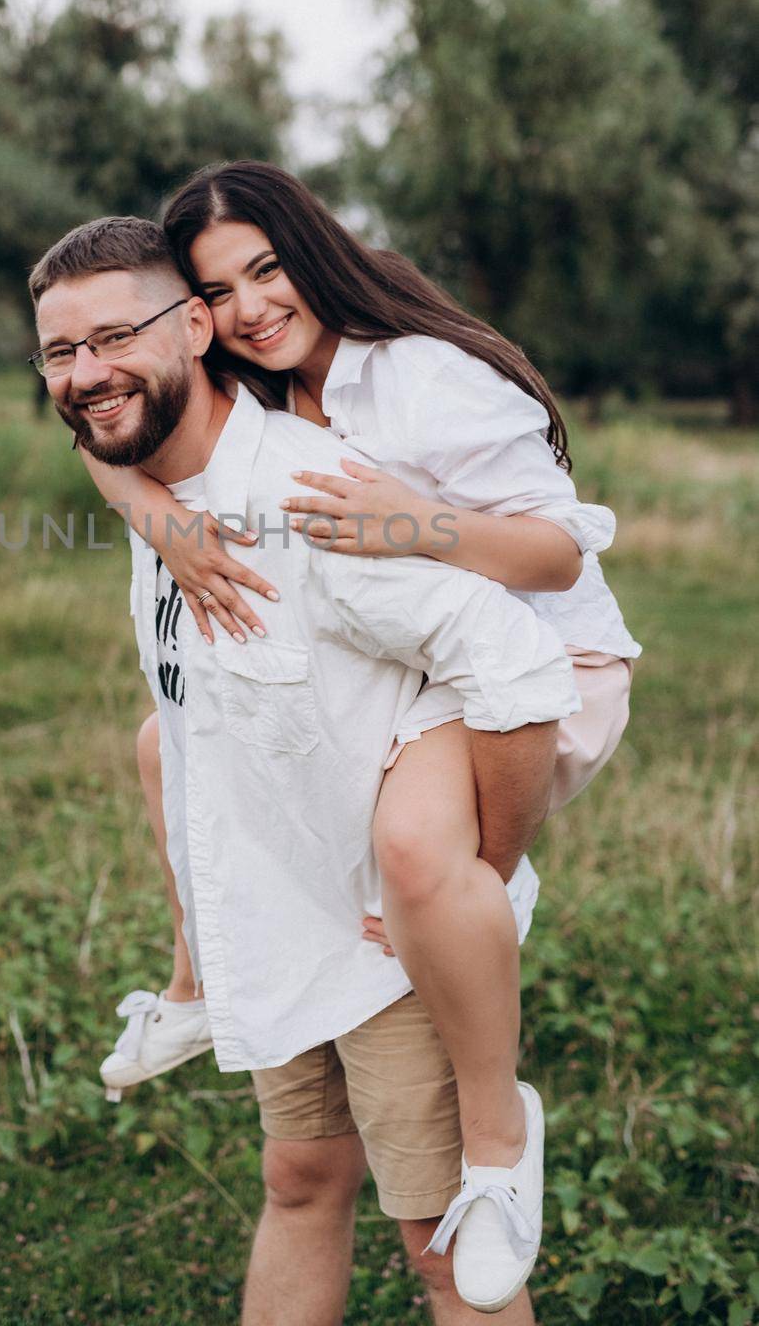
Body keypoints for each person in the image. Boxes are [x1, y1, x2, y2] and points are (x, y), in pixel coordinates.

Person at [79, 164, 638, 1301]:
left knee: (417, 857)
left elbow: (557, 557)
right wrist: (163, 521)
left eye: (267, 270)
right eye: (217, 290)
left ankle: (496, 1141)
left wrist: (415, 524)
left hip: (540, 658)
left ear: (314, 252)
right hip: (416, 656)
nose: (247, 308)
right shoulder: (259, 383)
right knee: (162, 740)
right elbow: (103, 427)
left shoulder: (427, 376)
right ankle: (193, 982)